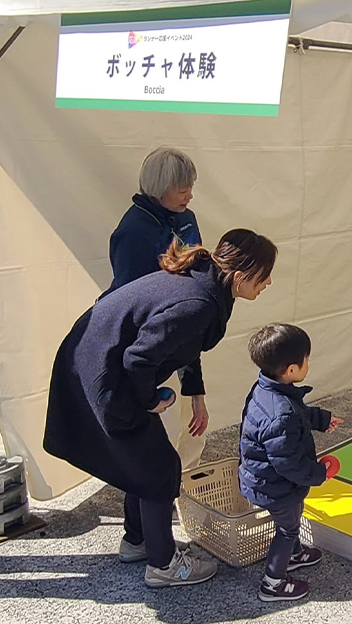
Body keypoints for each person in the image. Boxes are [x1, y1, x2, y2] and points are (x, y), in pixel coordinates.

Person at [44, 229, 277, 588]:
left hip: (95, 361)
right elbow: (137, 360)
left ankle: (138, 541)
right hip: (98, 372)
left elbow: (182, 343)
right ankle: (164, 566)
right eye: (264, 276)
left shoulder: (201, 283)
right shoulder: (197, 302)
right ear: (240, 276)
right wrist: (150, 400)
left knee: (142, 462)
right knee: (158, 470)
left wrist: (195, 393)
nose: (268, 283)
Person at [108, 147, 208, 470]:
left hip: (180, 327)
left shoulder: (186, 219)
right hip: (144, 343)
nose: (190, 195)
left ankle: (181, 479)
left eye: (191, 187)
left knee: (188, 434)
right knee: (148, 451)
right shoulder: (133, 232)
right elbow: (131, 306)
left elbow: (193, 289)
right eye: (183, 189)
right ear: (160, 187)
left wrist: (195, 389)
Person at [239, 324, 343, 602]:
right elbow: (289, 463)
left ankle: (294, 555)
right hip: (276, 486)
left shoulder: (268, 389)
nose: (309, 362)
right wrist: (320, 474)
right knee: (287, 529)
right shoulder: (280, 414)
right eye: (307, 359)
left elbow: (299, 413)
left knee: (292, 518)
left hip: (267, 480)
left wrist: (321, 420)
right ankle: (273, 583)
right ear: (292, 370)